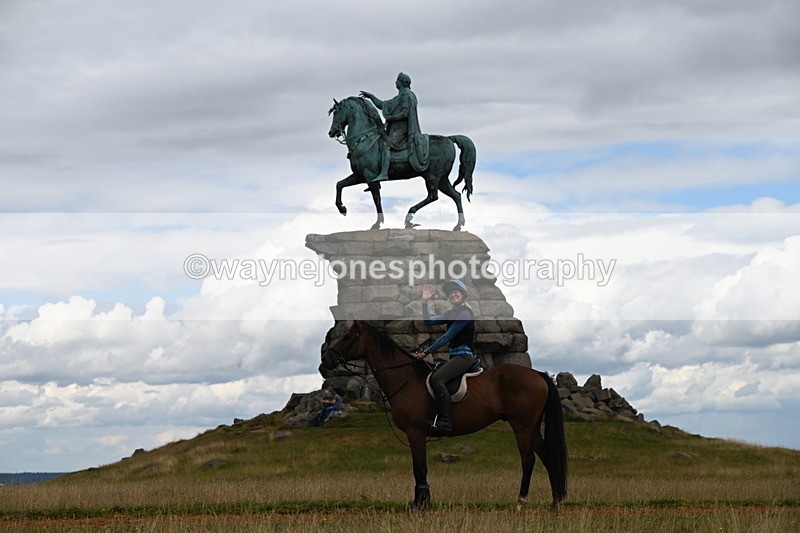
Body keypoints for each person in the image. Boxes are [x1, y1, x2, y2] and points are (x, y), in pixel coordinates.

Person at [415, 279, 476, 432]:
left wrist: (426, 352)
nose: (453, 294)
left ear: (463, 294)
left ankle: (446, 422)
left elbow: (446, 337)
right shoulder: (451, 313)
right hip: (455, 357)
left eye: (456, 292)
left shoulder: (465, 313)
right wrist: (424, 302)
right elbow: (428, 321)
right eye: (450, 293)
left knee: (436, 379)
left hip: (464, 356)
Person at [359, 72, 428, 183]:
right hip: (394, 129)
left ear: (401, 82)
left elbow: (405, 113)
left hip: (402, 130)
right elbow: (382, 105)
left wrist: (391, 118)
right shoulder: (398, 97)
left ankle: (384, 173)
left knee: (386, 144)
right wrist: (371, 96)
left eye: (397, 80)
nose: (395, 82)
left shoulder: (407, 95)